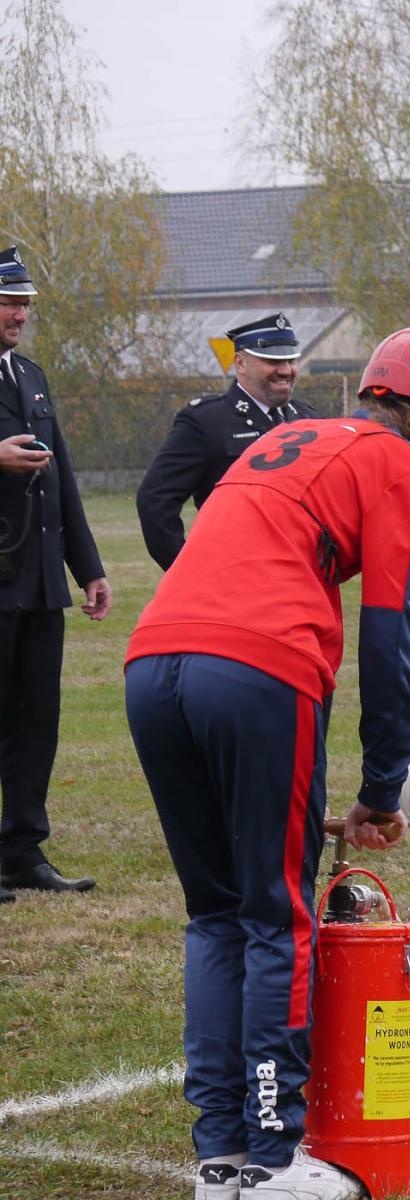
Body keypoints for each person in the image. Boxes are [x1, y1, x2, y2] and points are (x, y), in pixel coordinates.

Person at [124, 326, 410, 1199]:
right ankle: (278, 1157)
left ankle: (219, 1154)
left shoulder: (293, 442)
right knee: (275, 915)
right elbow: (390, 628)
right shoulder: (406, 466)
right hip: (253, 669)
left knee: (215, 916)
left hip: (152, 663)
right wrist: (379, 787)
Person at [0, 246, 112, 904]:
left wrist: (88, 568)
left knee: (37, 717)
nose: (19, 314)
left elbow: (62, 478)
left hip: (39, 582)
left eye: (24, 304)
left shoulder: (32, 375)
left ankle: (21, 850)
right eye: (10, 302)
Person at [137, 312, 321, 570]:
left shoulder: (309, 419)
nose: (286, 370)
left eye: (291, 360)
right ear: (240, 363)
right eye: (272, 360)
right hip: (240, 577)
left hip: (304, 575)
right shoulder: (207, 421)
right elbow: (155, 500)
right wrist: (189, 572)